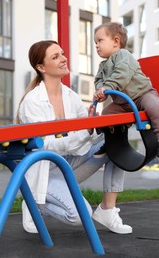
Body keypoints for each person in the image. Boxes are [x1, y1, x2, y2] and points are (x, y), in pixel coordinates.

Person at [16, 40, 132, 235]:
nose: (63, 59)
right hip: (46, 171)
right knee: (79, 217)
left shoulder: (71, 96)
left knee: (115, 139)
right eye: (55, 57)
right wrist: (86, 131)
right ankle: (34, 201)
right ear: (41, 67)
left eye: (62, 54)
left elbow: (85, 137)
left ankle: (107, 209)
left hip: (70, 163)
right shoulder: (33, 102)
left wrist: (96, 127)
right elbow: (48, 147)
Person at [92, 22, 159, 162]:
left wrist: (107, 87)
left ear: (116, 41)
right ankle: (112, 142)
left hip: (142, 95)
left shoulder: (123, 55)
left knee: (153, 105)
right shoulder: (103, 65)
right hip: (123, 103)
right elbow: (98, 80)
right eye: (95, 42)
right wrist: (100, 90)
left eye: (100, 41)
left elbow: (122, 74)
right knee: (107, 114)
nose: (96, 45)